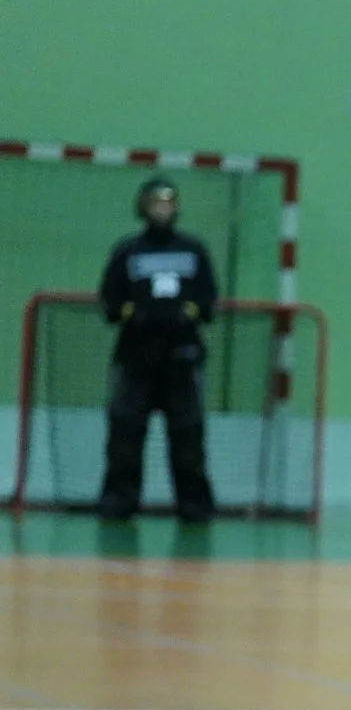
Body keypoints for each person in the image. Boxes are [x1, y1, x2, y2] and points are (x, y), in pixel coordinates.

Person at [98, 177, 218, 523]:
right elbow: (110, 299)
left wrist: (187, 313)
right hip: (136, 359)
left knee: (188, 437)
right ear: (143, 207)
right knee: (125, 435)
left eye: (168, 203)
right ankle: (119, 502)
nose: (162, 209)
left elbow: (208, 300)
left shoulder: (194, 250)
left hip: (182, 358)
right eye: (155, 203)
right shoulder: (128, 251)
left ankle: (194, 506)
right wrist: (135, 314)